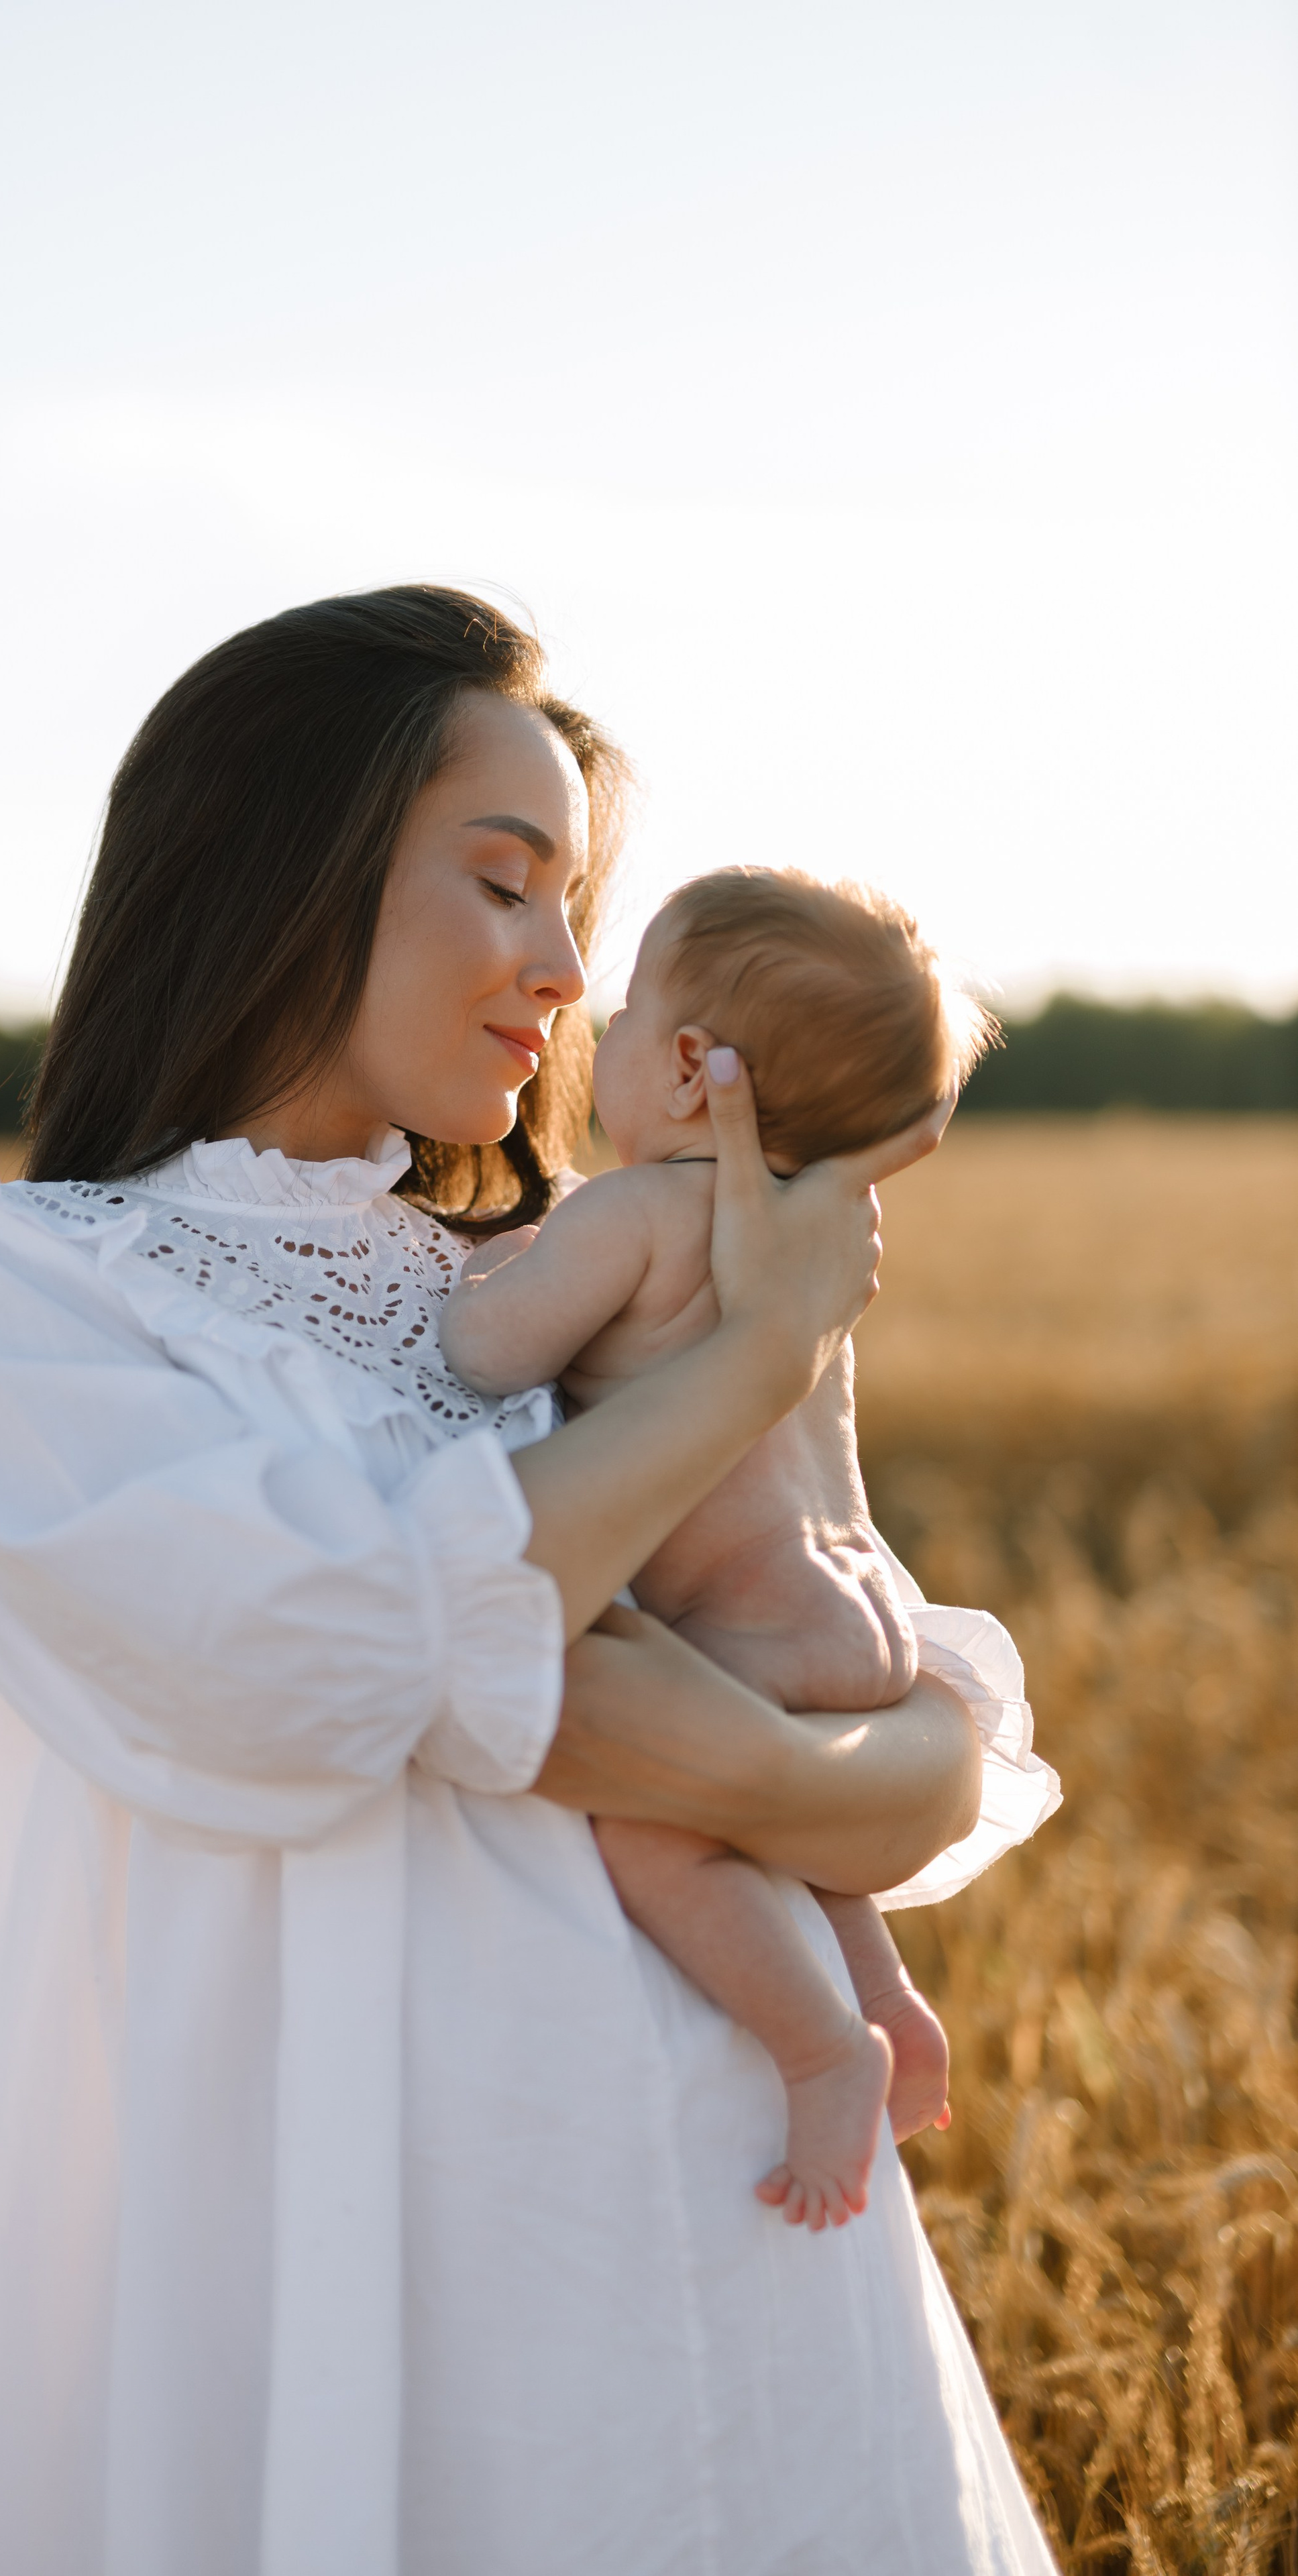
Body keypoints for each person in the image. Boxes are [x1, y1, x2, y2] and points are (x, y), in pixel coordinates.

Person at [0, 586, 1062, 2574]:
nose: (568, 967)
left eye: (581, 910)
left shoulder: (566, 1284)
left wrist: (734, 1745)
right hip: (329, 2317)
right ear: (289, 864)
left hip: (735, 2259)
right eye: (507, 883)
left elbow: (910, 1746)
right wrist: (746, 1366)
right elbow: (328, 1660)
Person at [440, 866, 1046, 2235]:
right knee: (781, 1831)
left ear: (686, 1064)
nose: (594, 1018)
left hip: (748, 1624)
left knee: (661, 1835)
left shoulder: (632, 1213)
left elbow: (483, 1352)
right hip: (860, 1617)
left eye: (631, 1001)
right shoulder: (796, 1241)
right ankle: (884, 1997)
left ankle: (823, 2048)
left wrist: (482, 1268)